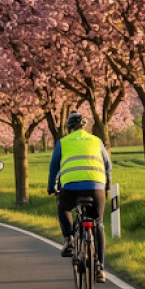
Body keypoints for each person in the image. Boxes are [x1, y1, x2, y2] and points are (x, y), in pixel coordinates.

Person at [47, 112, 111, 278]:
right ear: (85, 126)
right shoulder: (96, 141)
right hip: (96, 187)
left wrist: (52, 187)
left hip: (70, 188)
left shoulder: (63, 142)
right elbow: (107, 165)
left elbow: (54, 167)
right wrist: (107, 184)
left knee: (64, 208)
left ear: (69, 128)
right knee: (98, 223)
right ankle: (100, 267)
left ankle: (69, 238)